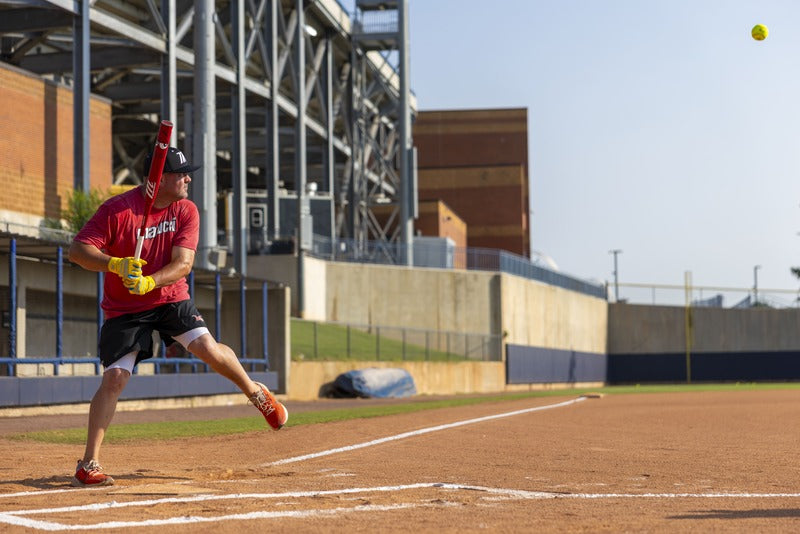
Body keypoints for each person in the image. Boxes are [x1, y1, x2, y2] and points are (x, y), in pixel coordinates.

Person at [68, 146, 287, 487]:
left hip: (170, 296)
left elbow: (183, 264)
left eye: (188, 173)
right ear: (158, 179)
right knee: (115, 379)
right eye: (182, 173)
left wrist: (150, 281)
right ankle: (88, 463)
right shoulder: (117, 210)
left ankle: (256, 393)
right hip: (125, 307)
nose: (188, 179)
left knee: (206, 348)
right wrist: (114, 263)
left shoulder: (185, 209)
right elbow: (78, 250)